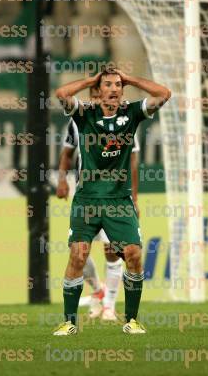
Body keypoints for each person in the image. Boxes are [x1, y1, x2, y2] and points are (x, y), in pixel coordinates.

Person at [52, 67, 171, 335]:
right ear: (99, 90)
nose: (114, 89)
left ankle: (131, 320)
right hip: (87, 199)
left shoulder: (132, 113)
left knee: (133, 254)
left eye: (118, 85)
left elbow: (164, 93)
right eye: (108, 84)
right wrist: (90, 80)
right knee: (79, 254)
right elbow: (61, 93)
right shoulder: (84, 115)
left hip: (119, 199)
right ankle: (69, 322)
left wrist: (131, 78)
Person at [57, 84, 142, 321]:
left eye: (99, 95)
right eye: (93, 96)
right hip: (86, 194)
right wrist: (62, 180)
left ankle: (109, 306)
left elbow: (132, 160)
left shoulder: (125, 121)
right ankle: (97, 289)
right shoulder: (78, 120)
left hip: (115, 196)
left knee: (113, 251)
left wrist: (134, 197)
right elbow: (67, 153)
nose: (97, 99)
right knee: (78, 253)